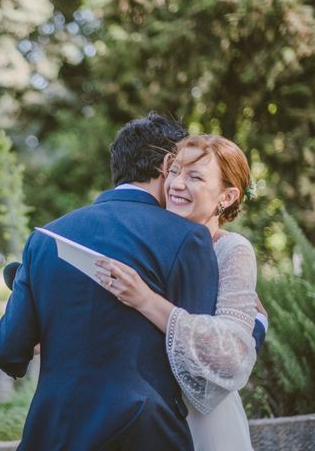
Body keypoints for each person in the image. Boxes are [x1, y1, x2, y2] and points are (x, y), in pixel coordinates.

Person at [0, 113, 221, 450]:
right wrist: (253, 326)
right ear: (165, 168)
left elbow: (8, 351)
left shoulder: (45, 238)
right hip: (145, 434)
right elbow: (199, 359)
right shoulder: (187, 238)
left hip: (55, 432)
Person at [95, 134, 265, 450]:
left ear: (226, 196)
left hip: (204, 419)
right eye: (174, 171)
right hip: (143, 416)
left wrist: (146, 301)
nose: (176, 184)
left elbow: (230, 354)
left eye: (194, 176)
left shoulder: (232, 251)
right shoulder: (148, 239)